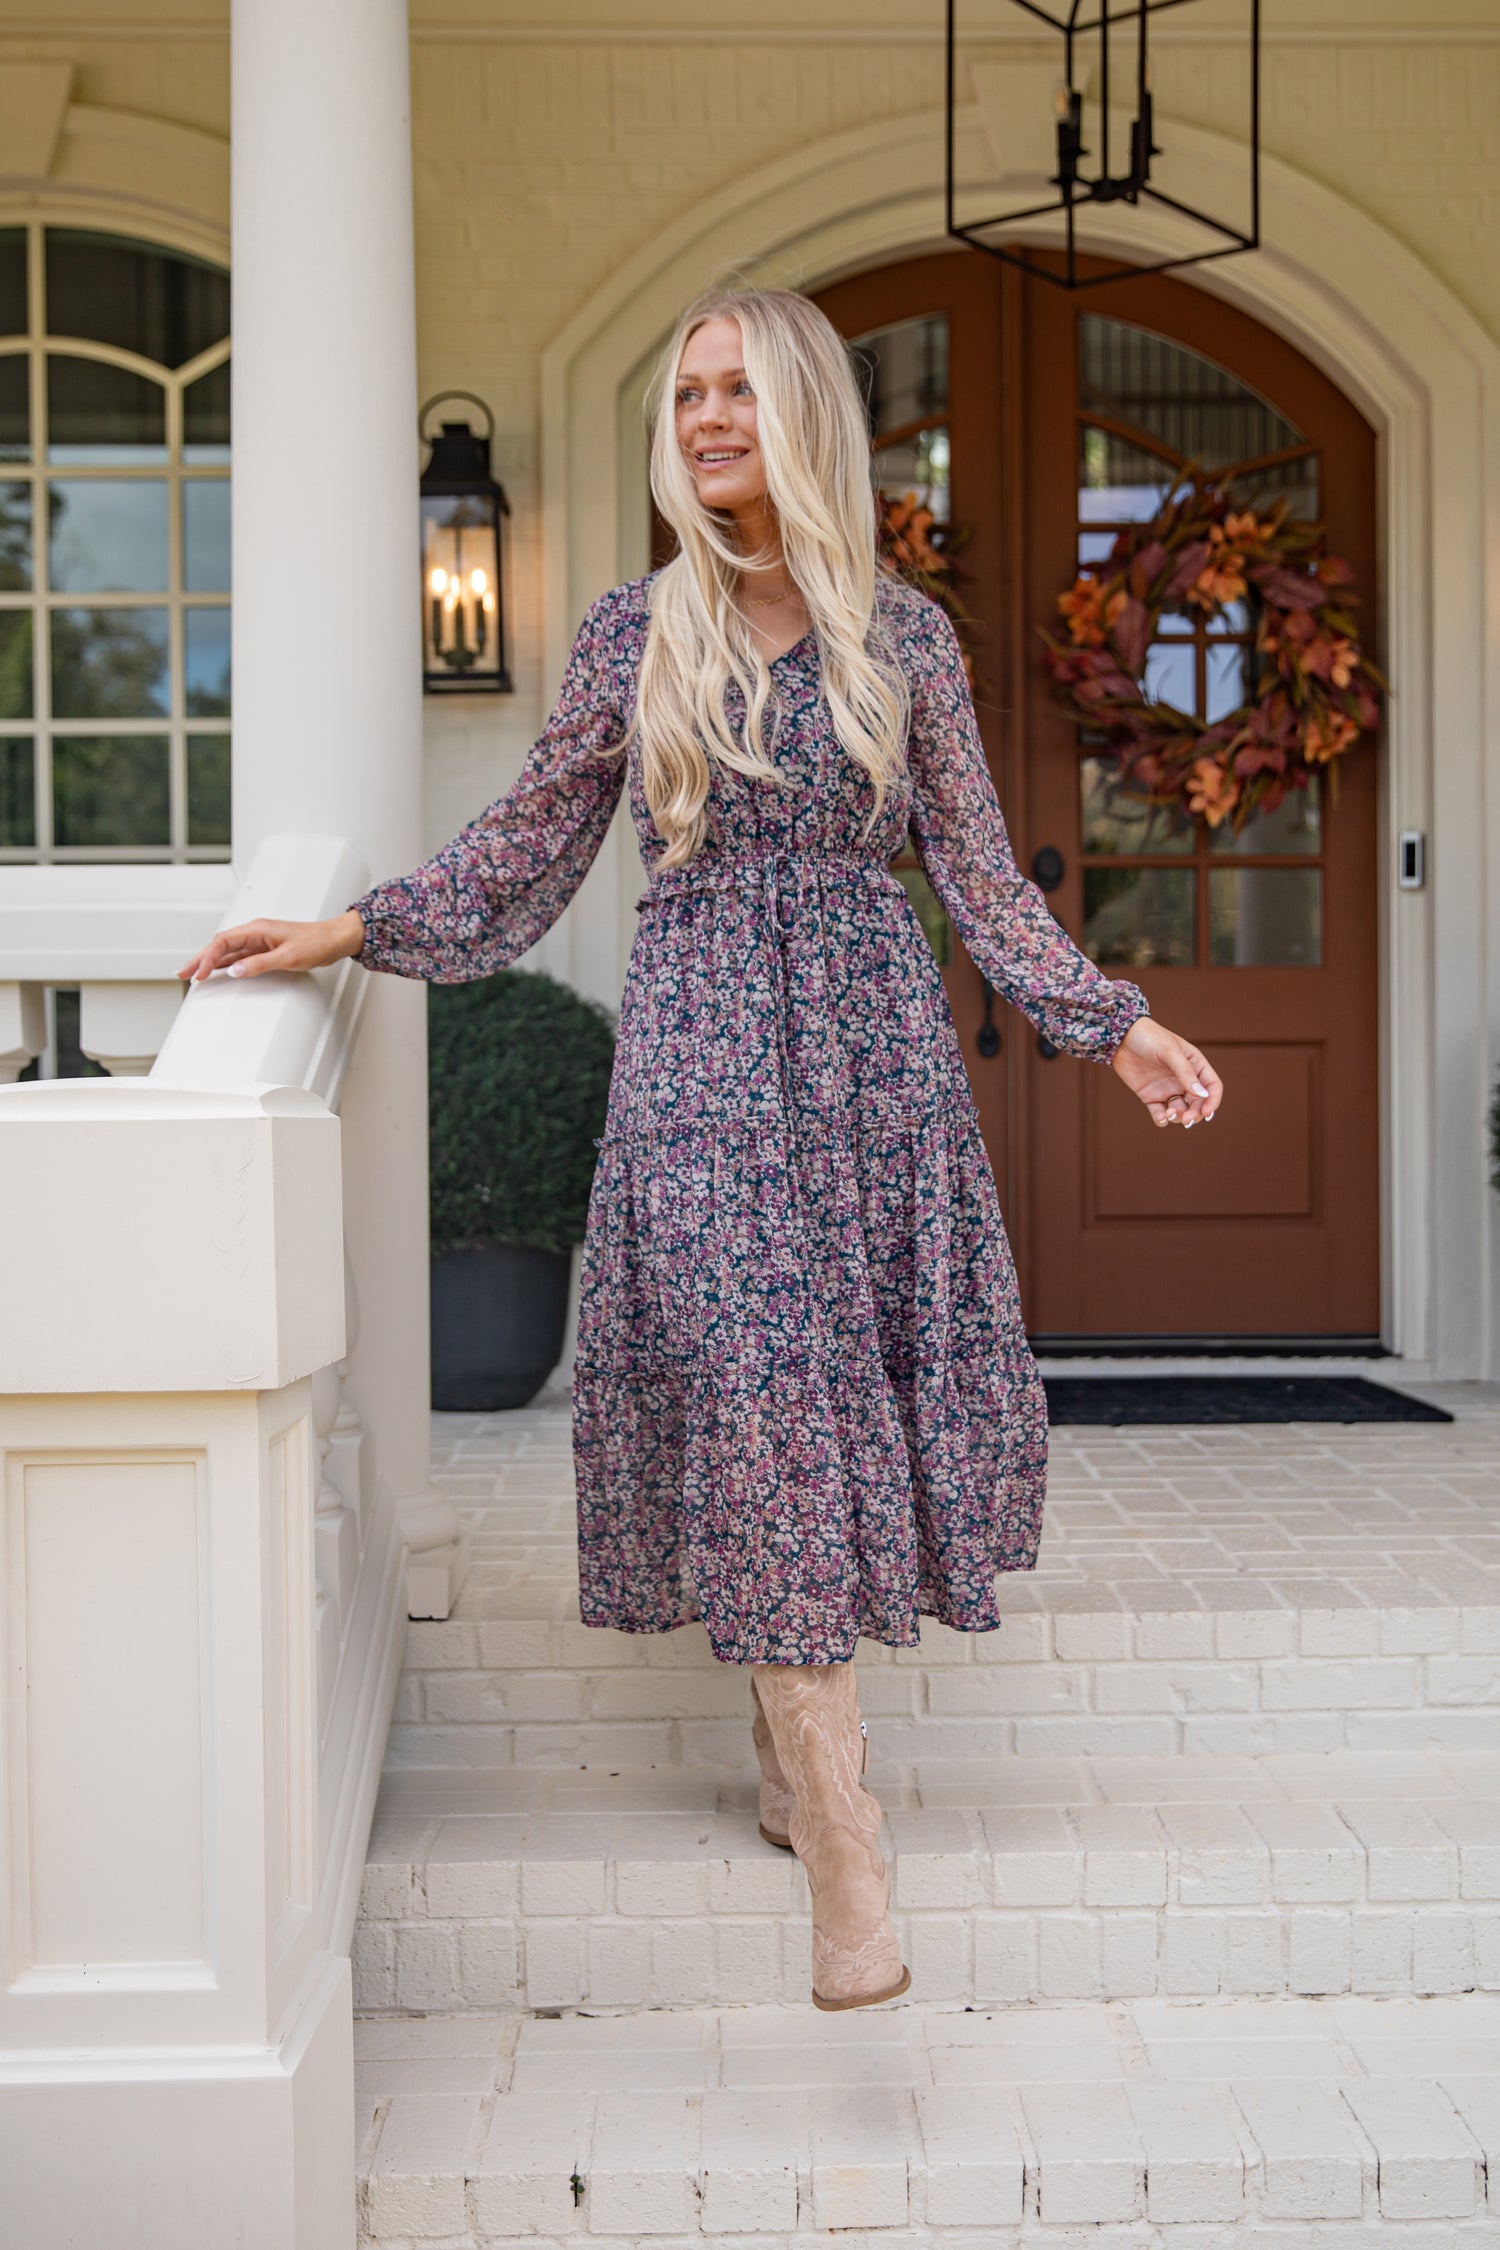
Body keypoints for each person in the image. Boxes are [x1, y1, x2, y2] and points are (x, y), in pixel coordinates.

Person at [179, 286, 1223, 2014]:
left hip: (873, 1073)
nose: (709, 417)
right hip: (703, 1066)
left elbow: (974, 878)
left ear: (805, 411)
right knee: (757, 1396)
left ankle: (785, 1743)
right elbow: (523, 853)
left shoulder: (909, 639)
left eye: (741, 388)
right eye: (689, 393)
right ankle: (847, 1844)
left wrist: (1118, 1023)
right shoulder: (626, 635)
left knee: (816, 1414)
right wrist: (344, 930)